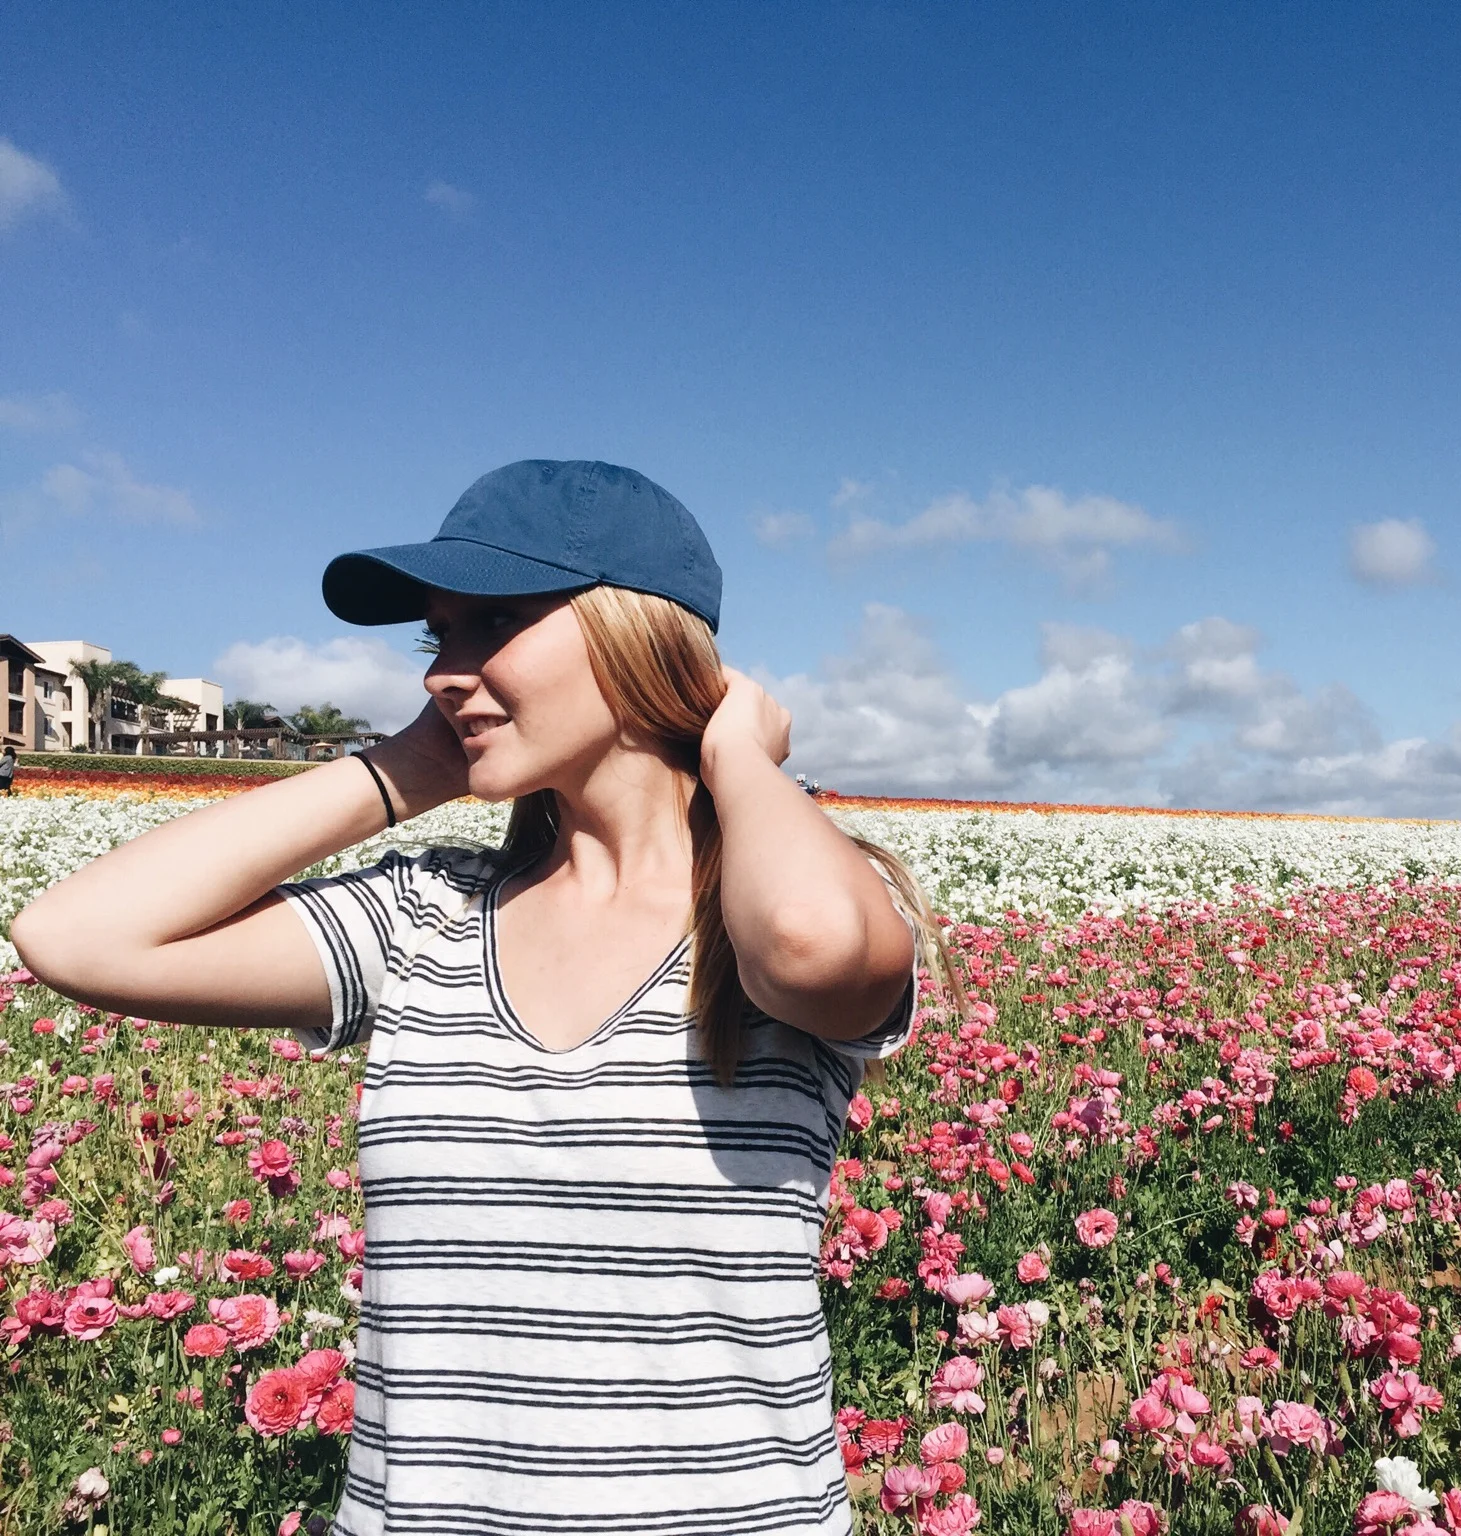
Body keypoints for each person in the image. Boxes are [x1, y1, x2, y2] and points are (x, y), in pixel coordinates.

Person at [12, 460, 957, 1536]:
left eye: (494, 623)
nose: (441, 676)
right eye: (436, 638)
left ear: (635, 633)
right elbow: (74, 938)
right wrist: (402, 774)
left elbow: (810, 941)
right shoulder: (423, 917)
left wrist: (735, 751)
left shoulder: (764, 909)